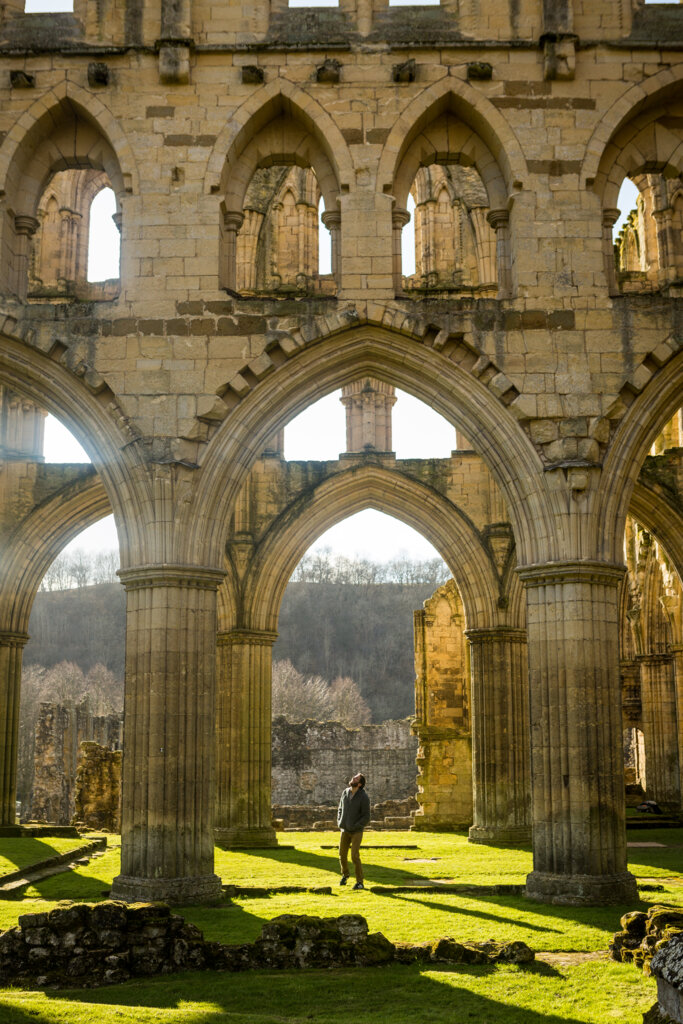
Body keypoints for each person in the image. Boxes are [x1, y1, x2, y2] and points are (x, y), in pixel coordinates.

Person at [337, 771, 371, 890]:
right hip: (345, 830)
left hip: (356, 831)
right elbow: (340, 808)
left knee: (354, 856)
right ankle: (345, 874)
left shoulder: (363, 797)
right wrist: (340, 821)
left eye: (356, 778)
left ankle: (360, 882)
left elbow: (366, 816)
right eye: (354, 777)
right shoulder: (345, 792)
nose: (353, 778)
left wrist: (357, 826)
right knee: (342, 854)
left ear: (360, 784)